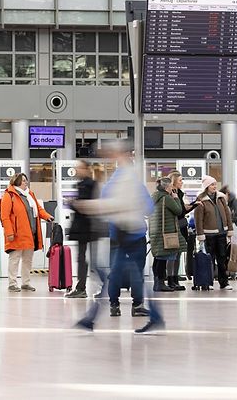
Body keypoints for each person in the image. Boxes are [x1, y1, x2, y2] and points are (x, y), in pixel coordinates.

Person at [72, 140, 165, 335]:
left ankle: (93, 318)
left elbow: (115, 204)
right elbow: (146, 207)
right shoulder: (127, 177)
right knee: (127, 276)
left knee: (118, 277)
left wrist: (87, 206)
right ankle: (151, 315)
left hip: (128, 234)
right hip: (129, 234)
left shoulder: (124, 178)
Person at [0, 173, 54, 293]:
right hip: (16, 234)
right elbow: (5, 216)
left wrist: (47, 216)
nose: (26, 182)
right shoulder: (9, 195)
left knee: (28, 260)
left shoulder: (30, 194)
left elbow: (39, 209)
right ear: (17, 182)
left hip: (30, 233)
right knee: (14, 259)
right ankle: (12, 283)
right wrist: (9, 232)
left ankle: (25, 283)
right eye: (23, 181)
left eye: (26, 180)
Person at [66, 160, 105, 299]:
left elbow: (87, 205)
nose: (76, 171)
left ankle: (99, 286)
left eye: (79, 168)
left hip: (88, 227)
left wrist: (74, 203)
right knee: (83, 258)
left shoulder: (89, 184)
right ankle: (82, 287)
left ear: (86, 169)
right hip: (85, 228)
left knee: (90, 260)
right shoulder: (83, 184)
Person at [194, 176, 235, 291]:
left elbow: (228, 215)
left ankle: (224, 282)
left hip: (222, 233)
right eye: (212, 184)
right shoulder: (201, 199)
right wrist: (200, 235)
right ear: (206, 186)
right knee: (209, 260)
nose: (214, 186)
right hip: (208, 235)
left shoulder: (221, 198)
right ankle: (208, 282)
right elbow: (198, 219)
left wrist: (230, 231)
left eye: (215, 184)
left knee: (222, 259)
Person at [149, 177, 186, 292]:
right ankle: (160, 283)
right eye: (170, 187)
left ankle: (157, 282)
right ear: (166, 187)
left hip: (156, 232)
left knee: (158, 258)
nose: (172, 189)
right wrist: (176, 199)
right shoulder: (167, 198)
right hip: (166, 232)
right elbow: (179, 211)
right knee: (163, 259)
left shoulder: (153, 197)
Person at [169, 171, 202, 288]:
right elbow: (180, 211)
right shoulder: (172, 195)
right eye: (180, 180)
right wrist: (194, 205)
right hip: (175, 226)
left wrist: (194, 204)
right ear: (174, 182)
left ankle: (174, 278)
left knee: (178, 253)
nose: (182, 182)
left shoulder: (179, 194)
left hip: (181, 225)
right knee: (173, 253)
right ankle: (171, 279)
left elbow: (182, 210)